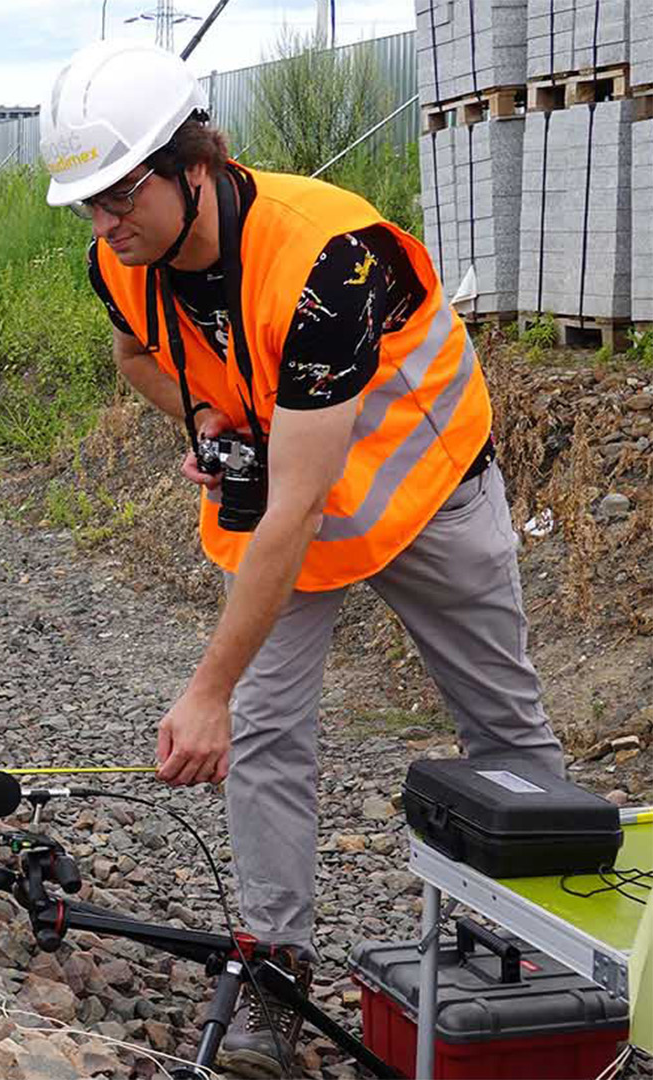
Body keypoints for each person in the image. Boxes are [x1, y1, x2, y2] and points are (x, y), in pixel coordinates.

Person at [40, 40, 565, 1076]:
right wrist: (203, 425)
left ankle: (555, 959)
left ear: (194, 163)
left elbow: (291, 514)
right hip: (292, 484)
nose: (103, 225)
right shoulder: (121, 256)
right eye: (86, 204)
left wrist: (203, 691)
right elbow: (137, 352)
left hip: (426, 490)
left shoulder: (327, 258)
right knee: (267, 734)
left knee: (499, 724)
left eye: (118, 196)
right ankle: (273, 982)